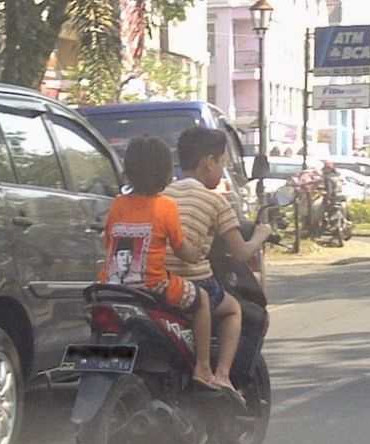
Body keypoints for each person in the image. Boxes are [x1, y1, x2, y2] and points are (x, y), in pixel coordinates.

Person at [101, 135, 219, 391]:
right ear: (166, 173)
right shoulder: (165, 207)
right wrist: (198, 253)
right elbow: (182, 249)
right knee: (202, 301)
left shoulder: (118, 204)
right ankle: (202, 366)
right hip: (153, 287)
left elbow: (108, 241)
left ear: (128, 170)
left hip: (110, 287)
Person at [163, 127, 272, 404]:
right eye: (222, 163)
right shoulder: (215, 201)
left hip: (158, 281)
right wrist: (261, 234)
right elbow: (240, 251)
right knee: (234, 309)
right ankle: (221, 374)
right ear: (208, 162)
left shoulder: (163, 194)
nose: (222, 171)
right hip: (191, 282)